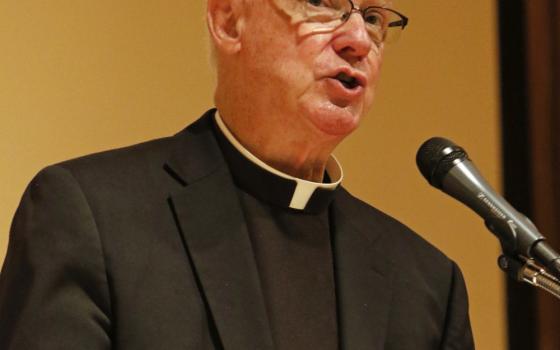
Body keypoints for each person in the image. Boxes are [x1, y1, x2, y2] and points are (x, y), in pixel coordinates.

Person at [0, 0, 474, 349]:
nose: (358, 39)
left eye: (373, 17)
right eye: (320, 4)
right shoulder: (92, 218)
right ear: (229, 20)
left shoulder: (428, 285)